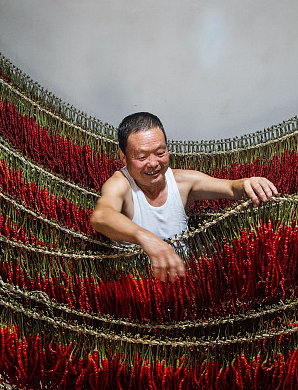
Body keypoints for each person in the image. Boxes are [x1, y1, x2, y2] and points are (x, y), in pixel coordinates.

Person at [90, 112, 279, 281]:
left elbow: (231, 188)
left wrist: (248, 182)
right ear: (123, 157)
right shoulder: (120, 183)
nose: (153, 163)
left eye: (160, 153)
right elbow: (101, 216)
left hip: (182, 288)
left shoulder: (182, 182)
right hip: (136, 293)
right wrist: (148, 239)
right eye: (142, 157)